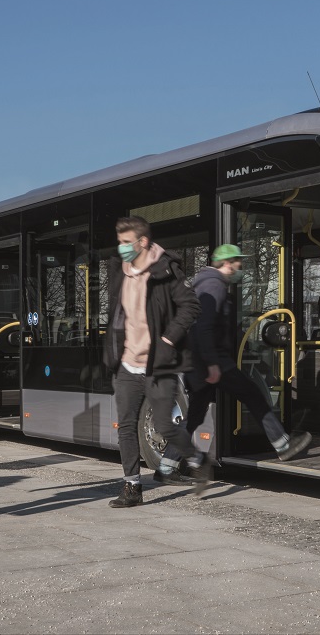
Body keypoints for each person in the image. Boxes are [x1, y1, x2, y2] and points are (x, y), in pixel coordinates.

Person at [158, 244, 312, 482]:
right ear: (228, 263)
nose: (241, 267)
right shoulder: (213, 284)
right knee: (253, 394)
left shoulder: (208, 283)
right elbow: (204, 328)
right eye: (239, 263)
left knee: (195, 416)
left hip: (202, 363)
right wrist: (212, 364)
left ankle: (166, 467)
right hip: (213, 362)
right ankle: (282, 444)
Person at [104, 216, 204, 507]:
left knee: (164, 424)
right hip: (127, 363)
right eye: (119, 242)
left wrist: (168, 340)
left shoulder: (165, 270)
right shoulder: (120, 272)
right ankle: (132, 487)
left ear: (143, 242)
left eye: (126, 242)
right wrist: (113, 351)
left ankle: (197, 458)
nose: (121, 248)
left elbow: (190, 305)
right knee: (125, 426)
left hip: (159, 364)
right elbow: (117, 316)